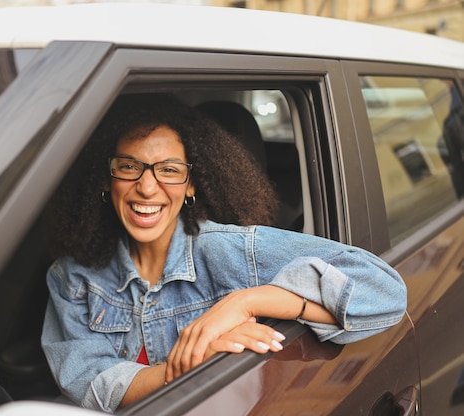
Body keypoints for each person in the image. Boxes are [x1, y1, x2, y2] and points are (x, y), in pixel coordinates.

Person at [41, 93, 407, 413]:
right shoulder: (73, 276)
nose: (147, 187)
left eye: (169, 170)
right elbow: (88, 382)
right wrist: (189, 365)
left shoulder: (225, 250)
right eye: (129, 167)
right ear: (106, 178)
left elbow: (386, 292)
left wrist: (245, 303)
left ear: (191, 185)